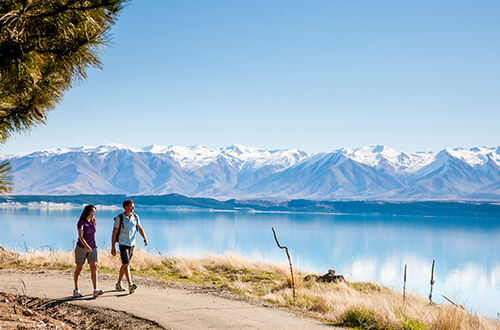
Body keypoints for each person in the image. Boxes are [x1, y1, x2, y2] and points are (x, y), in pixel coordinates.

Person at [111, 199, 148, 294]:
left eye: (133, 206)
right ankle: (130, 284)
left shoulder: (135, 217)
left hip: (132, 243)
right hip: (123, 243)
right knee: (126, 263)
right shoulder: (119, 218)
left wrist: (144, 237)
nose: (133, 208)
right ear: (126, 207)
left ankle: (118, 283)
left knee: (124, 264)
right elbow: (114, 233)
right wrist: (113, 247)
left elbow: (139, 228)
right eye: (131, 206)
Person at [73, 204, 104, 298]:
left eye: (95, 211)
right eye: (93, 211)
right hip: (81, 247)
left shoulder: (93, 222)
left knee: (94, 267)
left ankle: (95, 289)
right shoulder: (81, 222)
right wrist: (86, 246)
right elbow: (81, 237)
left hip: (93, 247)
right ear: (88, 212)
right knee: (79, 268)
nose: (94, 213)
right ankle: (76, 290)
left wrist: (91, 246)